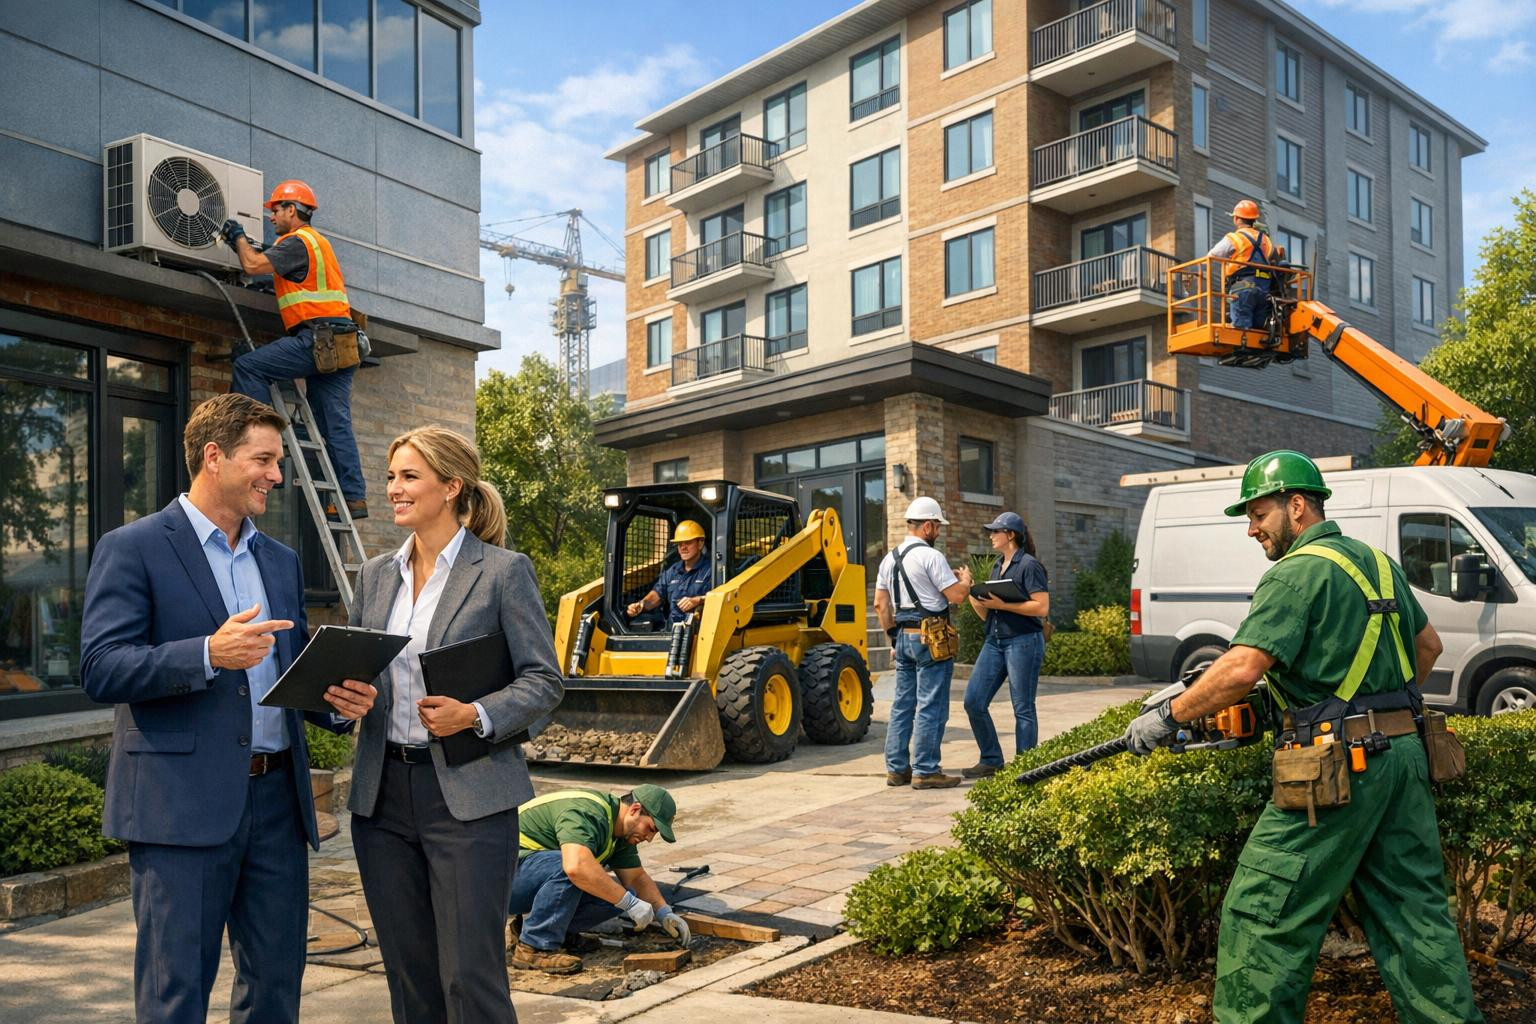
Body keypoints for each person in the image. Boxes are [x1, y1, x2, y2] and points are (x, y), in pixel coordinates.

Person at [1121, 450, 1482, 1023]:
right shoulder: (1378, 564)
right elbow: (1429, 647)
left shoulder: (1294, 572)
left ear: (1296, 506)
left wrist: (1170, 715)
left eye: (1258, 513)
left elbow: (1242, 668)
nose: (1252, 529)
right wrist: (1365, 705)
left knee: (1262, 914)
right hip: (1406, 757)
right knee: (1416, 915)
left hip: (1337, 770)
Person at [80, 393, 377, 1024]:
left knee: (275, 988)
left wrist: (337, 703)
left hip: (277, 805)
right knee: (175, 995)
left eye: (278, 462)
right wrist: (206, 654)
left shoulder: (280, 560)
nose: (277, 475)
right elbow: (101, 667)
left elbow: (288, 672)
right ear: (214, 457)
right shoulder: (133, 547)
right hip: (178, 808)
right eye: (264, 459)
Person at [344, 425, 564, 1024]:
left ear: (451, 486)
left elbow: (544, 681)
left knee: (470, 978)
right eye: (391, 476)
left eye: (409, 476)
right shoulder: (375, 576)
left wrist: (476, 715)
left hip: (469, 798)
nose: (394, 488)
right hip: (382, 798)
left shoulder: (502, 571)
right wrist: (345, 701)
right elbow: (357, 674)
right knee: (408, 977)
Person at [222, 180, 367, 522]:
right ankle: (352, 498)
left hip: (317, 340)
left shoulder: (297, 241)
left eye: (276, 210)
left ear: (292, 210)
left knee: (249, 367)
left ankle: (262, 448)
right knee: (334, 423)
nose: (272, 216)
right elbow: (282, 275)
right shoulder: (315, 244)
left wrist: (237, 238)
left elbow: (252, 265)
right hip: (342, 346)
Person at [508, 784, 691, 975]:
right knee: (576, 868)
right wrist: (629, 903)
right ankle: (534, 946)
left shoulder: (620, 832)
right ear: (635, 810)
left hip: (521, 878)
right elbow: (576, 867)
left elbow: (636, 878)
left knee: (619, 893)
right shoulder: (588, 812)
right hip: (498, 884)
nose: (649, 838)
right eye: (650, 828)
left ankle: (551, 932)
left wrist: (664, 912)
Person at [874, 496, 973, 790]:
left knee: (902, 704)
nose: (938, 532)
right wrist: (965, 580)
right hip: (932, 638)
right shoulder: (932, 556)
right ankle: (926, 770)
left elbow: (880, 605)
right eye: (937, 527)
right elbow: (957, 596)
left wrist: (894, 638)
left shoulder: (889, 558)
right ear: (928, 526)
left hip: (903, 637)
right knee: (932, 704)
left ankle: (896, 770)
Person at [961, 512, 1050, 777]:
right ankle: (991, 759)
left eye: (995, 531)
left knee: (1023, 708)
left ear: (1010, 535)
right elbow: (988, 614)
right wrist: (972, 592)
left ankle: (1025, 768)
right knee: (973, 701)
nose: (991, 536)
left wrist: (1004, 605)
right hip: (995, 640)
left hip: (1024, 641)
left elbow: (1042, 607)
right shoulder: (997, 566)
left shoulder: (1029, 565)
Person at [1206, 199, 1278, 329]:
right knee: (1258, 331)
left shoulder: (1234, 238)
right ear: (1254, 220)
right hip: (1263, 289)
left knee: (1242, 330)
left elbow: (1212, 255)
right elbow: (1273, 258)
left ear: (1237, 219)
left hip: (1243, 288)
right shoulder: (1265, 239)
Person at [626, 520, 711, 624]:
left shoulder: (711, 570)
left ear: (700, 543)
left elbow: (721, 598)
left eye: (688, 543)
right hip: (672, 629)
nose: (683, 547)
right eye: (680, 544)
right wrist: (641, 605)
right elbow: (657, 594)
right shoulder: (672, 571)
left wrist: (699, 600)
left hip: (700, 629)